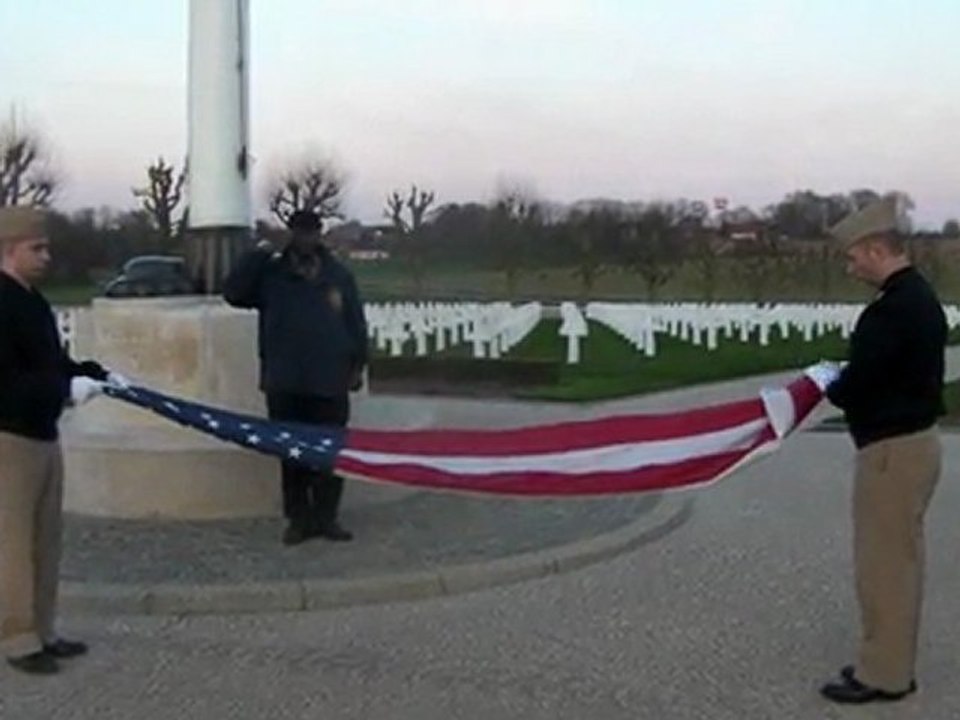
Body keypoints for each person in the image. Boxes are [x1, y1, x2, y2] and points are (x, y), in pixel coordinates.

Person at [818, 195, 947, 704]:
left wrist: (827, 382)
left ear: (875, 249)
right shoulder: (918, 297)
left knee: (884, 566)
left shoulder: (893, 310)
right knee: (898, 560)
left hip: (892, 453)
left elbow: (860, 385)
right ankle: (884, 660)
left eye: (853, 257)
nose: (850, 268)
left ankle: (886, 675)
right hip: (912, 445)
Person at [0, 206, 125, 675]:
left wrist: (91, 373)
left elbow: (50, 364)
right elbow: (7, 382)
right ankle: (17, 639)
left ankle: (44, 629)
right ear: (9, 249)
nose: (47, 255)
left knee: (45, 541)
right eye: (37, 247)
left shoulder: (31, 300)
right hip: (9, 438)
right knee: (13, 543)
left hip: (43, 433)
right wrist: (63, 389)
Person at [224, 210, 368, 546]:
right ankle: (299, 519)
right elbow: (233, 293)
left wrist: (358, 364)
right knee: (291, 453)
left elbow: (355, 322)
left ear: (319, 234)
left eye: (312, 232)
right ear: (291, 234)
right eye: (300, 232)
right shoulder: (271, 274)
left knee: (329, 452)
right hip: (286, 379)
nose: (306, 239)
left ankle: (327, 516)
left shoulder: (338, 275)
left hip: (329, 377)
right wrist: (260, 251)